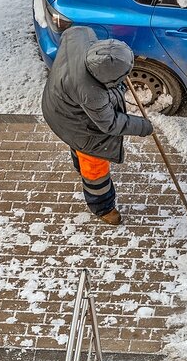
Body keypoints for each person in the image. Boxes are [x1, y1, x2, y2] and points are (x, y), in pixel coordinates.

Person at [41, 26, 154, 225]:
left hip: (59, 102)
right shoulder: (91, 92)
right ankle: (102, 206)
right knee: (95, 164)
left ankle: (79, 164)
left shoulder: (82, 36)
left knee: (77, 144)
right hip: (72, 120)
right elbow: (110, 124)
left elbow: (71, 33)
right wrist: (143, 126)